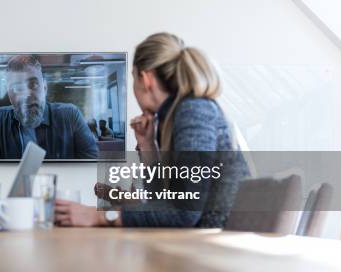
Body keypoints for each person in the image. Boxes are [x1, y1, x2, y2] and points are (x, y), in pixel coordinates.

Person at [54, 33, 249, 228]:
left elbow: (184, 213)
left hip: (218, 246)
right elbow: (162, 202)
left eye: (133, 79)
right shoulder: (176, 114)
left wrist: (99, 216)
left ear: (145, 79)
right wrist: (148, 146)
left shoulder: (193, 111)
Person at [0, 55, 99, 159]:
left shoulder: (70, 115)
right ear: (9, 95)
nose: (27, 94)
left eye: (34, 84)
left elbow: (93, 165)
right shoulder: (0, 119)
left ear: (44, 88)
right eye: (18, 87)